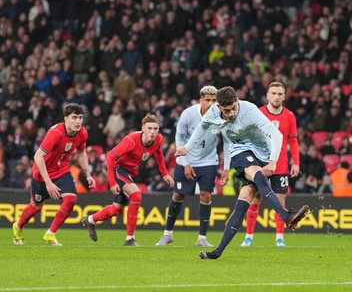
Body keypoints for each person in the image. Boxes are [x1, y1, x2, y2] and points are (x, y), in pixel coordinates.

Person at [175, 86, 309, 260]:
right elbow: (202, 127)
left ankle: (216, 252)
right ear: (219, 107)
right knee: (259, 176)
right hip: (239, 152)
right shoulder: (213, 113)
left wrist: (273, 160)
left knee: (241, 206)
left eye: (233, 108)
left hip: (263, 153)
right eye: (226, 110)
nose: (231, 113)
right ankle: (286, 215)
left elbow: (276, 135)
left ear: (237, 101)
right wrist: (187, 148)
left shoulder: (250, 110)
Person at [81, 114, 174, 246]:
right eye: (149, 128)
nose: (153, 132)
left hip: (129, 172)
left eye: (155, 128)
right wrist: (112, 182)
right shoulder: (132, 140)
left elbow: (158, 153)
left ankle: (90, 220)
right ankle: (130, 239)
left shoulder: (158, 139)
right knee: (136, 196)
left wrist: (164, 174)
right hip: (118, 169)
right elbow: (110, 156)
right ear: (143, 128)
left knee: (117, 209)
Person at [12, 103, 94, 245]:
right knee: (36, 206)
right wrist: (49, 183)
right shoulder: (56, 133)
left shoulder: (82, 133)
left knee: (71, 199)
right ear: (66, 119)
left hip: (61, 170)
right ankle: (18, 226)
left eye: (80, 118)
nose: (78, 121)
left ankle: (50, 234)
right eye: (74, 118)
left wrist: (88, 175)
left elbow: (81, 153)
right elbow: (38, 157)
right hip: (42, 173)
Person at [156, 86, 220, 247]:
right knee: (178, 195)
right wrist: (186, 163)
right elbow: (179, 136)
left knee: (206, 195)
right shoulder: (189, 114)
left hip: (208, 161)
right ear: (201, 100)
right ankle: (168, 234)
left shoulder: (221, 115)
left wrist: (225, 168)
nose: (211, 103)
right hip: (186, 160)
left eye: (214, 100)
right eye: (208, 100)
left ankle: (202, 238)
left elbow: (226, 140)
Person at [241, 81, 300, 248]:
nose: (276, 96)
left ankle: (279, 238)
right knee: (255, 199)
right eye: (273, 93)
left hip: (280, 166)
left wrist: (296, 162)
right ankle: (248, 237)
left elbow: (293, 140)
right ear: (267, 95)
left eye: (280, 94)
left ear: (284, 96)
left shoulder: (289, 116)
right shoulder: (258, 113)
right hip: (260, 164)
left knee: (280, 201)